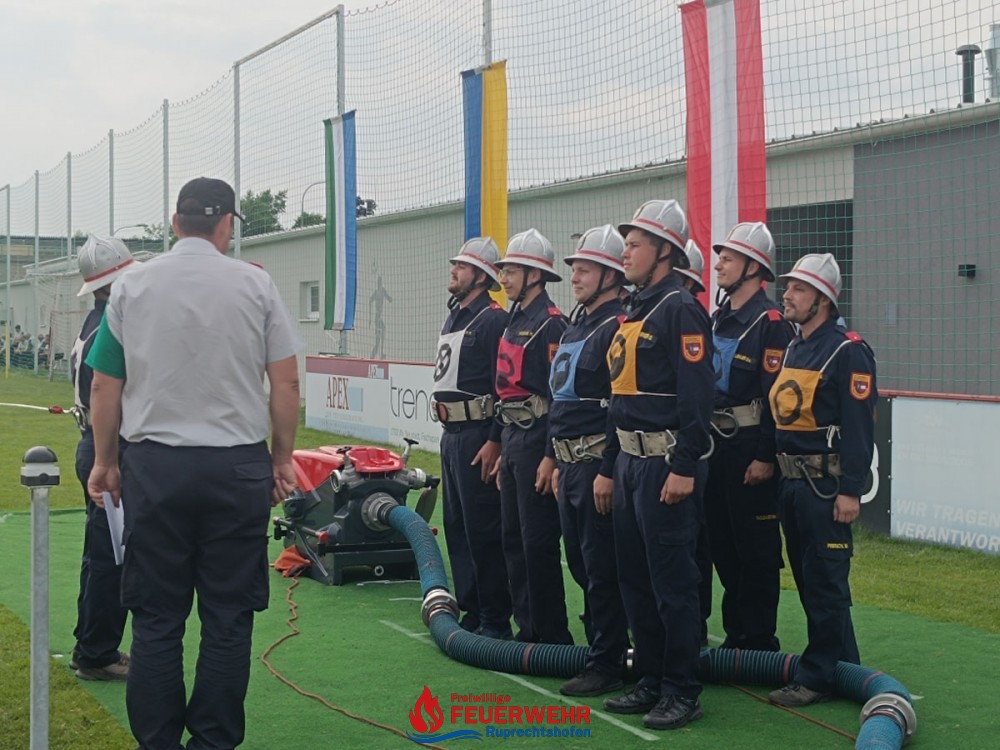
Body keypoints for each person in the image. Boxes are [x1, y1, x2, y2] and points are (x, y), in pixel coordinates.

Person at [86, 177, 303, 749]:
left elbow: (105, 384)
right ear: (227, 224)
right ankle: (212, 741)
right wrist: (281, 457)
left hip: (156, 467)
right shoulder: (255, 284)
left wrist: (106, 461)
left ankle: (157, 741)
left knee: (157, 618)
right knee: (228, 617)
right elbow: (285, 382)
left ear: (175, 222)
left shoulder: (132, 285)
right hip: (235, 467)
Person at [603, 199, 713, 730]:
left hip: (665, 464)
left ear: (664, 251)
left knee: (673, 583)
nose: (624, 253)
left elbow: (697, 397)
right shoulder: (636, 307)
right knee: (636, 580)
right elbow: (618, 397)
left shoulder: (680, 308)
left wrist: (685, 465)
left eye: (635, 244)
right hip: (630, 462)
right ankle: (649, 677)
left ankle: (681, 689)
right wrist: (612, 464)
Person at [767, 253, 876, 707]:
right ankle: (845, 669)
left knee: (826, 583)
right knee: (811, 581)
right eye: (789, 286)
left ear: (823, 300)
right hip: (792, 485)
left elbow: (860, 428)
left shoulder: (848, 350)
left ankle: (817, 677)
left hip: (824, 489)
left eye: (799, 289)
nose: (787, 295)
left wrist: (851, 490)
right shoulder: (795, 347)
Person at [548, 225, 630, 696]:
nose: (575, 276)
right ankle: (602, 648)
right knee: (581, 564)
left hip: (597, 465)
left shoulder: (616, 327)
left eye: (584, 269)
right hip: (570, 466)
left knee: (602, 568)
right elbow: (560, 401)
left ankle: (608, 660)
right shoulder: (577, 325)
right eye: (575, 268)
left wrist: (606, 470)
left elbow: (620, 405)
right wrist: (555, 459)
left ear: (611, 276)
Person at [705, 222, 794, 652]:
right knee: (722, 543)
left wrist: (765, 456)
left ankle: (758, 641)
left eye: (728, 258)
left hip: (749, 449)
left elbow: (778, 399)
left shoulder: (771, 323)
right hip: (714, 449)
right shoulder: (718, 317)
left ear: (753, 267)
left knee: (755, 549)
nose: (718, 264)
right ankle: (736, 636)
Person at [431, 237, 513, 639]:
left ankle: (495, 617)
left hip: (478, 434)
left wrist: (495, 439)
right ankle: (473, 608)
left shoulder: (494, 320)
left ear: (481, 276)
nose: (454, 271)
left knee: (483, 528)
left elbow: (505, 385)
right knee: (457, 526)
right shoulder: (455, 316)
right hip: (452, 434)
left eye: (462, 266)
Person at [494, 228, 572, 645]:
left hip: (536, 438)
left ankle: (552, 637)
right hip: (512, 438)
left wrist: (549, 455)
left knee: (537, 542)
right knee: (513, 540)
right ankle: (527, 630)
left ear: (535, 275)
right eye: (504, 270)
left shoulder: (552, 324)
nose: (503, 278)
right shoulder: (515, 319)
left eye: (511, 270)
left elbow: (559, 396)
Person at [69, 235, 137, 682]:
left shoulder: (96, 319)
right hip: (108, 447)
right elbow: (106, 394)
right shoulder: (112, 324)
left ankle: (91, 646)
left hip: (95, 444)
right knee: (111, 559)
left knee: (100, 555)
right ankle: (96, 652)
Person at [674, 240, 714, 647]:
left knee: (689, 549)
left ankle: (694, 637)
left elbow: (695, 394)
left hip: (684, 451)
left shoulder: (687, 313)